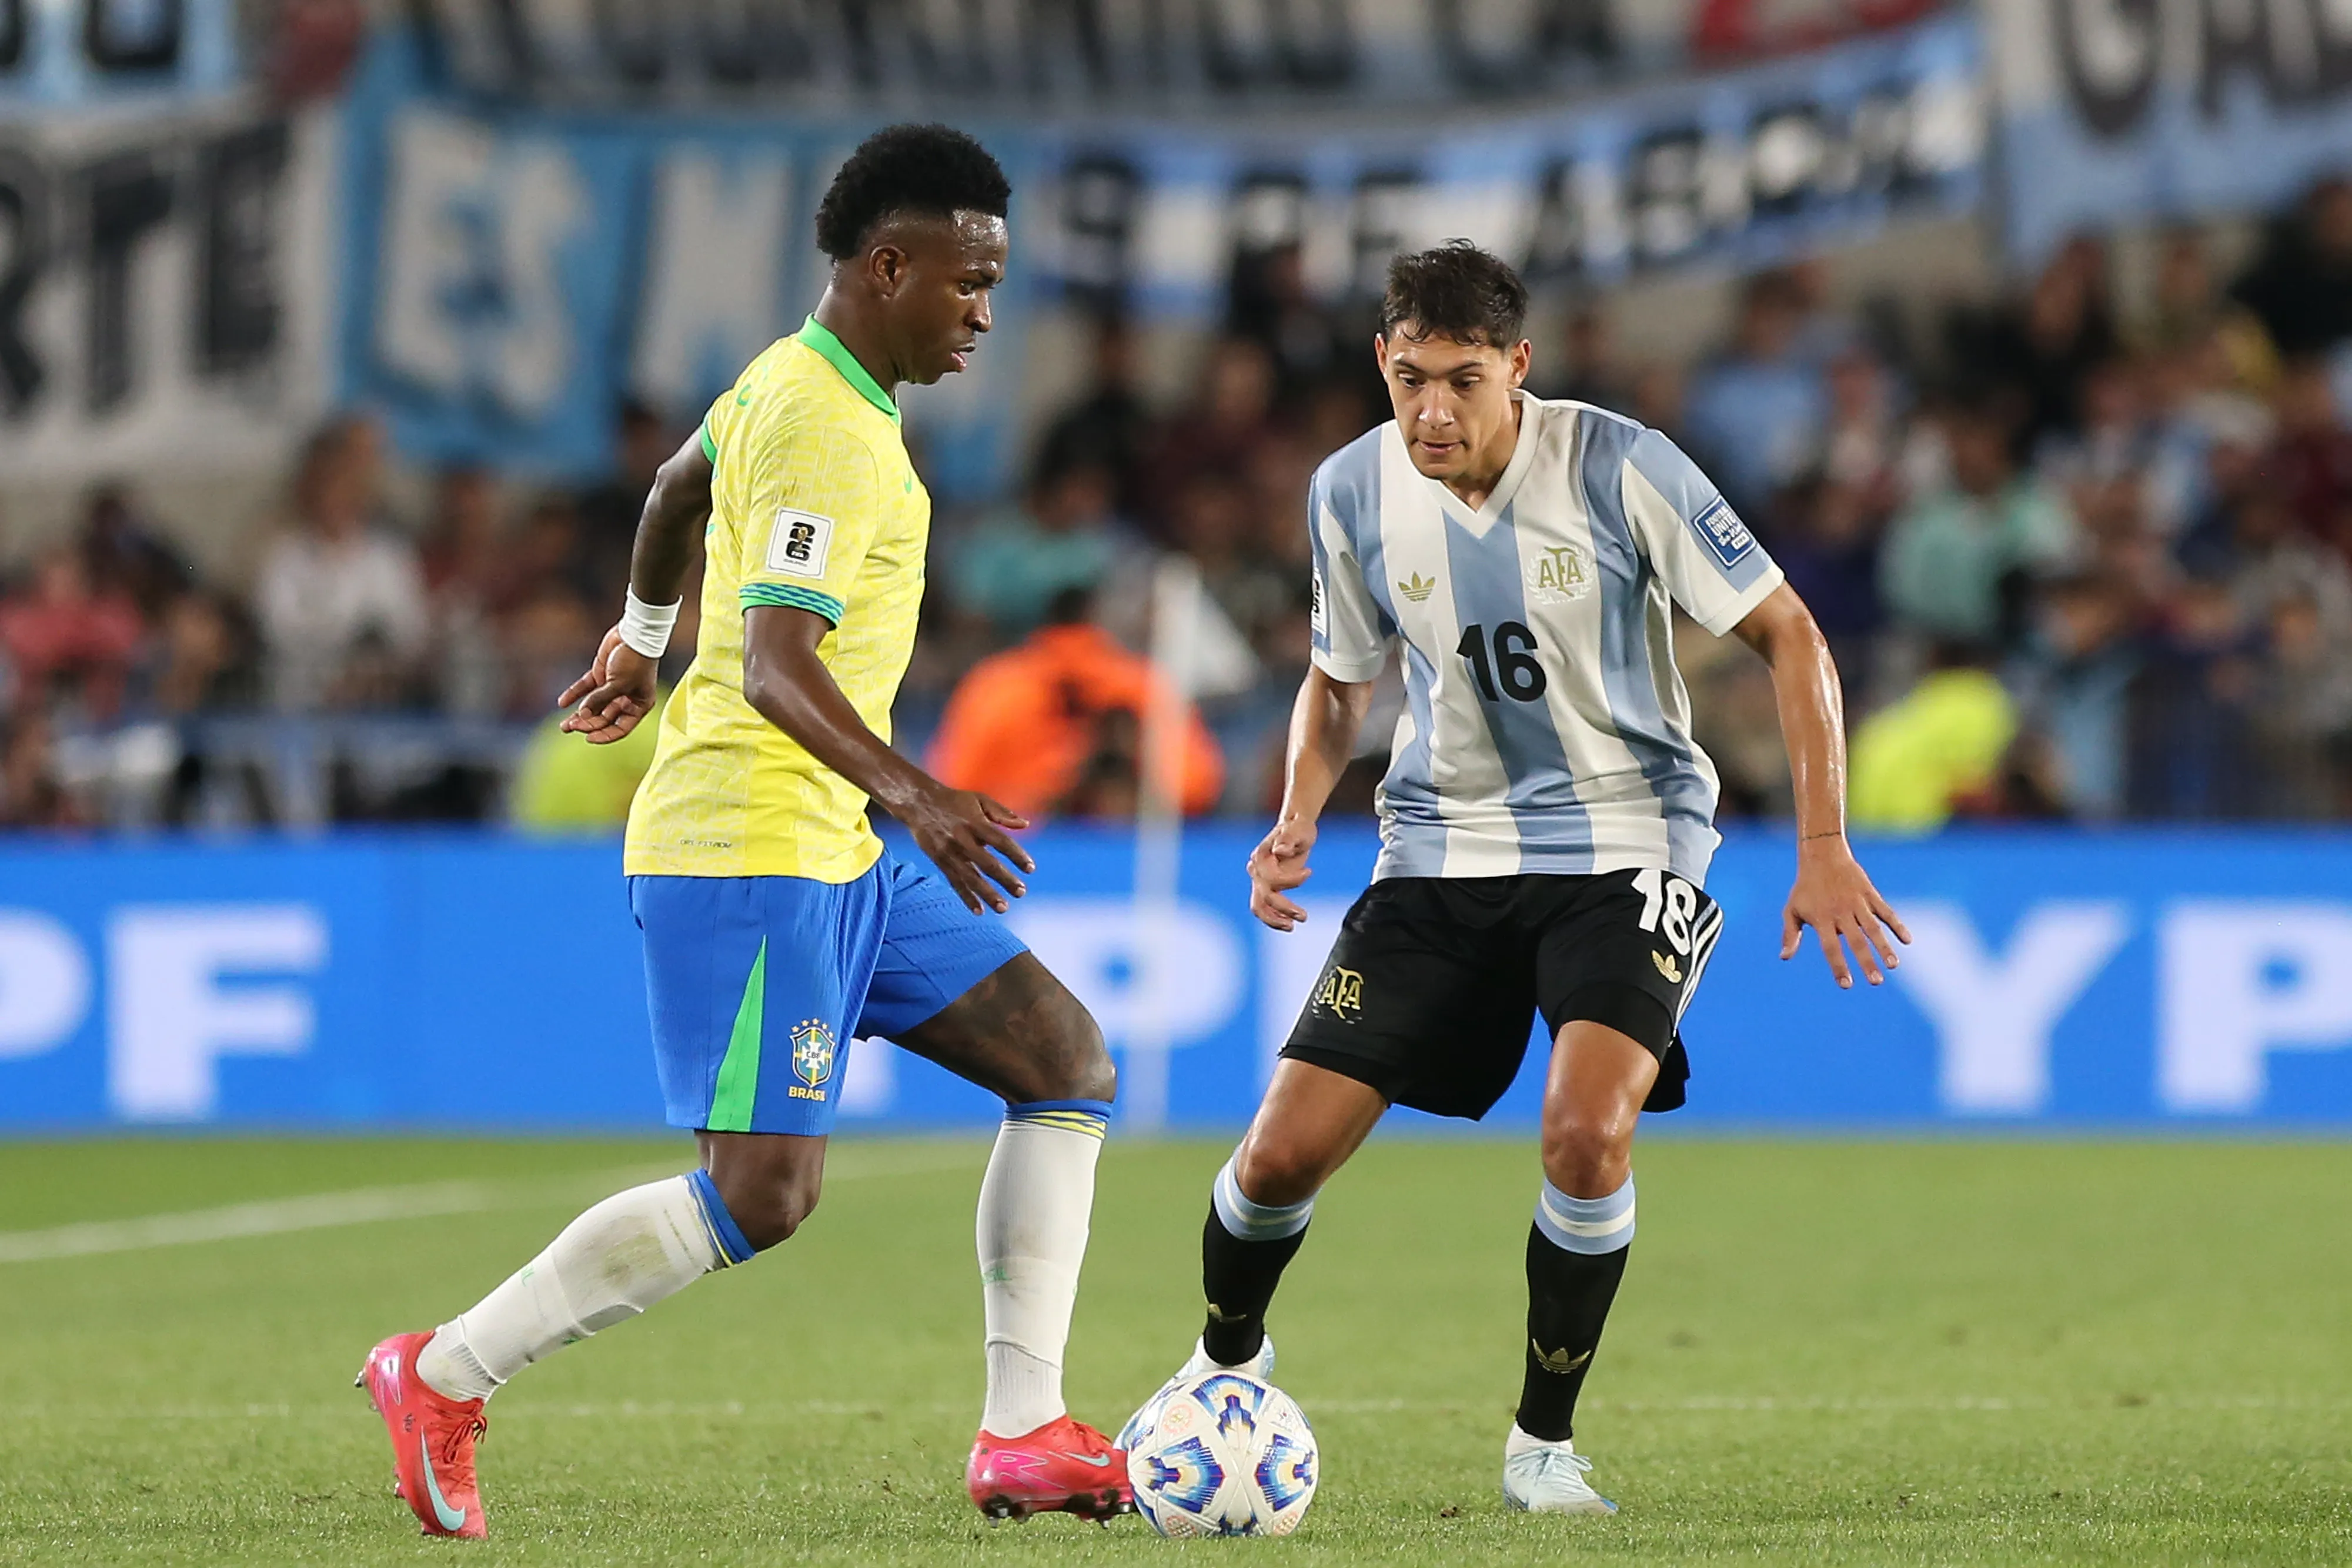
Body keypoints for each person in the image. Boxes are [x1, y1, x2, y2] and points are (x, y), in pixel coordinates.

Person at [358, 125, 1133, 1539]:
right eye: (966, 284)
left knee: (1064, 1059)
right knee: (762, 1199)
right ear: (887, 265)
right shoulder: (830, 425)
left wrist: (643, 638)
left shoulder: (790, 378)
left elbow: (673, 492)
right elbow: (776, 666)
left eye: (993, 285)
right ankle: (442, 1371)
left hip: (834, 839)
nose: (981, 315)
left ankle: (1023, 1429)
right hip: (752, 842)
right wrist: (922, 794)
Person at [1133, 243, 1907, 1516]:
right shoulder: (1349, 494)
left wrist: (1822, 844)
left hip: (1626, 843)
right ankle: (1225, 1369)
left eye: (1461, 380)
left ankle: (1540, 1445)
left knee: (1585, 1130)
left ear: (1518, 370)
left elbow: (1787, 631)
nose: (1430, 411)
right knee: (1274, 1161)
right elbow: (1338, 682)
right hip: (1438, 849)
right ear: (1380, 366)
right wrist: (1291, 818)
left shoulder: (1617, 463)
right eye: (1406, 379)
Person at [928, 583, 1224, 819]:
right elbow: (1198, 786)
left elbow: (950, 788)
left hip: (1010, 848)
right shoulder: (1141, 683)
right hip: (1132, 852)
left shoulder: (995, 683)